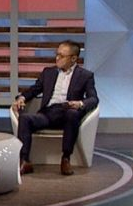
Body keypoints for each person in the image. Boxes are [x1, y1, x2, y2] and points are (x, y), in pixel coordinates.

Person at [13, 40, 98, 176]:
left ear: (73, 58)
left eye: (61, 56)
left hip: (67, 112)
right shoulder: (48, 72)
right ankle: (24, 161)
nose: (57, 58)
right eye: (56, 54)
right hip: (48, 113)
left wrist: (80, 103)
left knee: (72, 114)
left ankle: (66, 158)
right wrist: (21, 98)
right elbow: (34, 90)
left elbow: (93, 98)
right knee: (25, 118)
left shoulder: (85, 75)